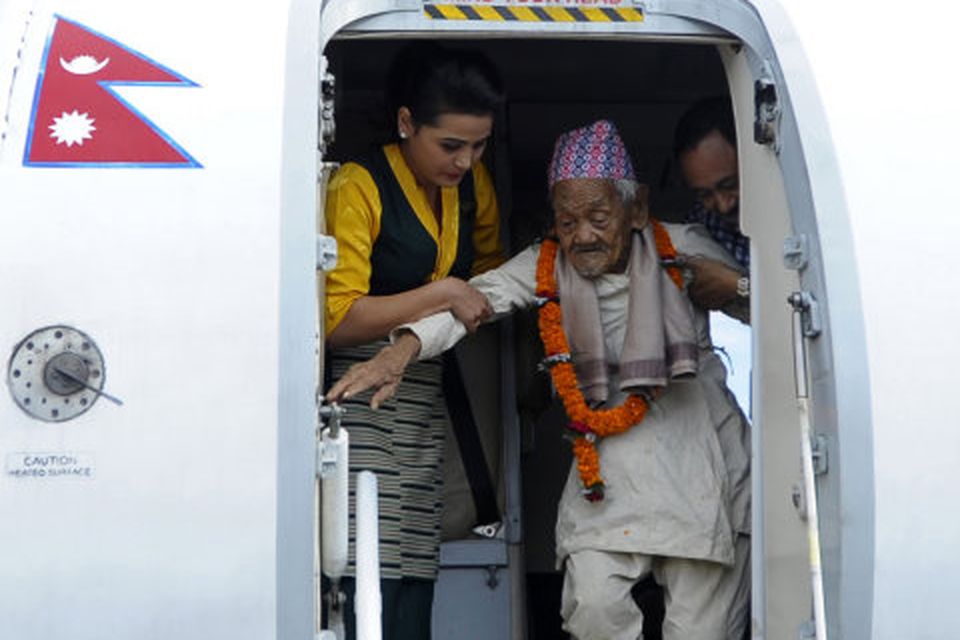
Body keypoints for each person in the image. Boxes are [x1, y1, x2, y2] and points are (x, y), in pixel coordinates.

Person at [328, 120, 751, 640]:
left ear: (637, 207)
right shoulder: (548, 262)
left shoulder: (684, 247)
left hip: (700, 464)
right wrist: (403, 350)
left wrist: (739, 284)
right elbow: (473, 301)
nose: (583, 236)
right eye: (568, 221)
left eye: (598, 217)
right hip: (607, 470)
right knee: (593, 609)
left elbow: (786, 307)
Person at [323, 42, 505, 639]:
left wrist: (453, 299)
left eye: (478, 145)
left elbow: (488, 287)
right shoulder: (359, 185)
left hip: (424, 393)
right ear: (406, 123)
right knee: (364, 562)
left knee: (415, 566)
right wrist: (443, 292)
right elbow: (337, 319)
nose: (464, 160)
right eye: (450, 145)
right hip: (357, 398)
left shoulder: (474, 188)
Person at [674, 97, 750, 320]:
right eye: (705, 194)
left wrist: (738, 285)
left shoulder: (799, 212)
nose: (723, 205)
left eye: (730, 185)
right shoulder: (700, 225)